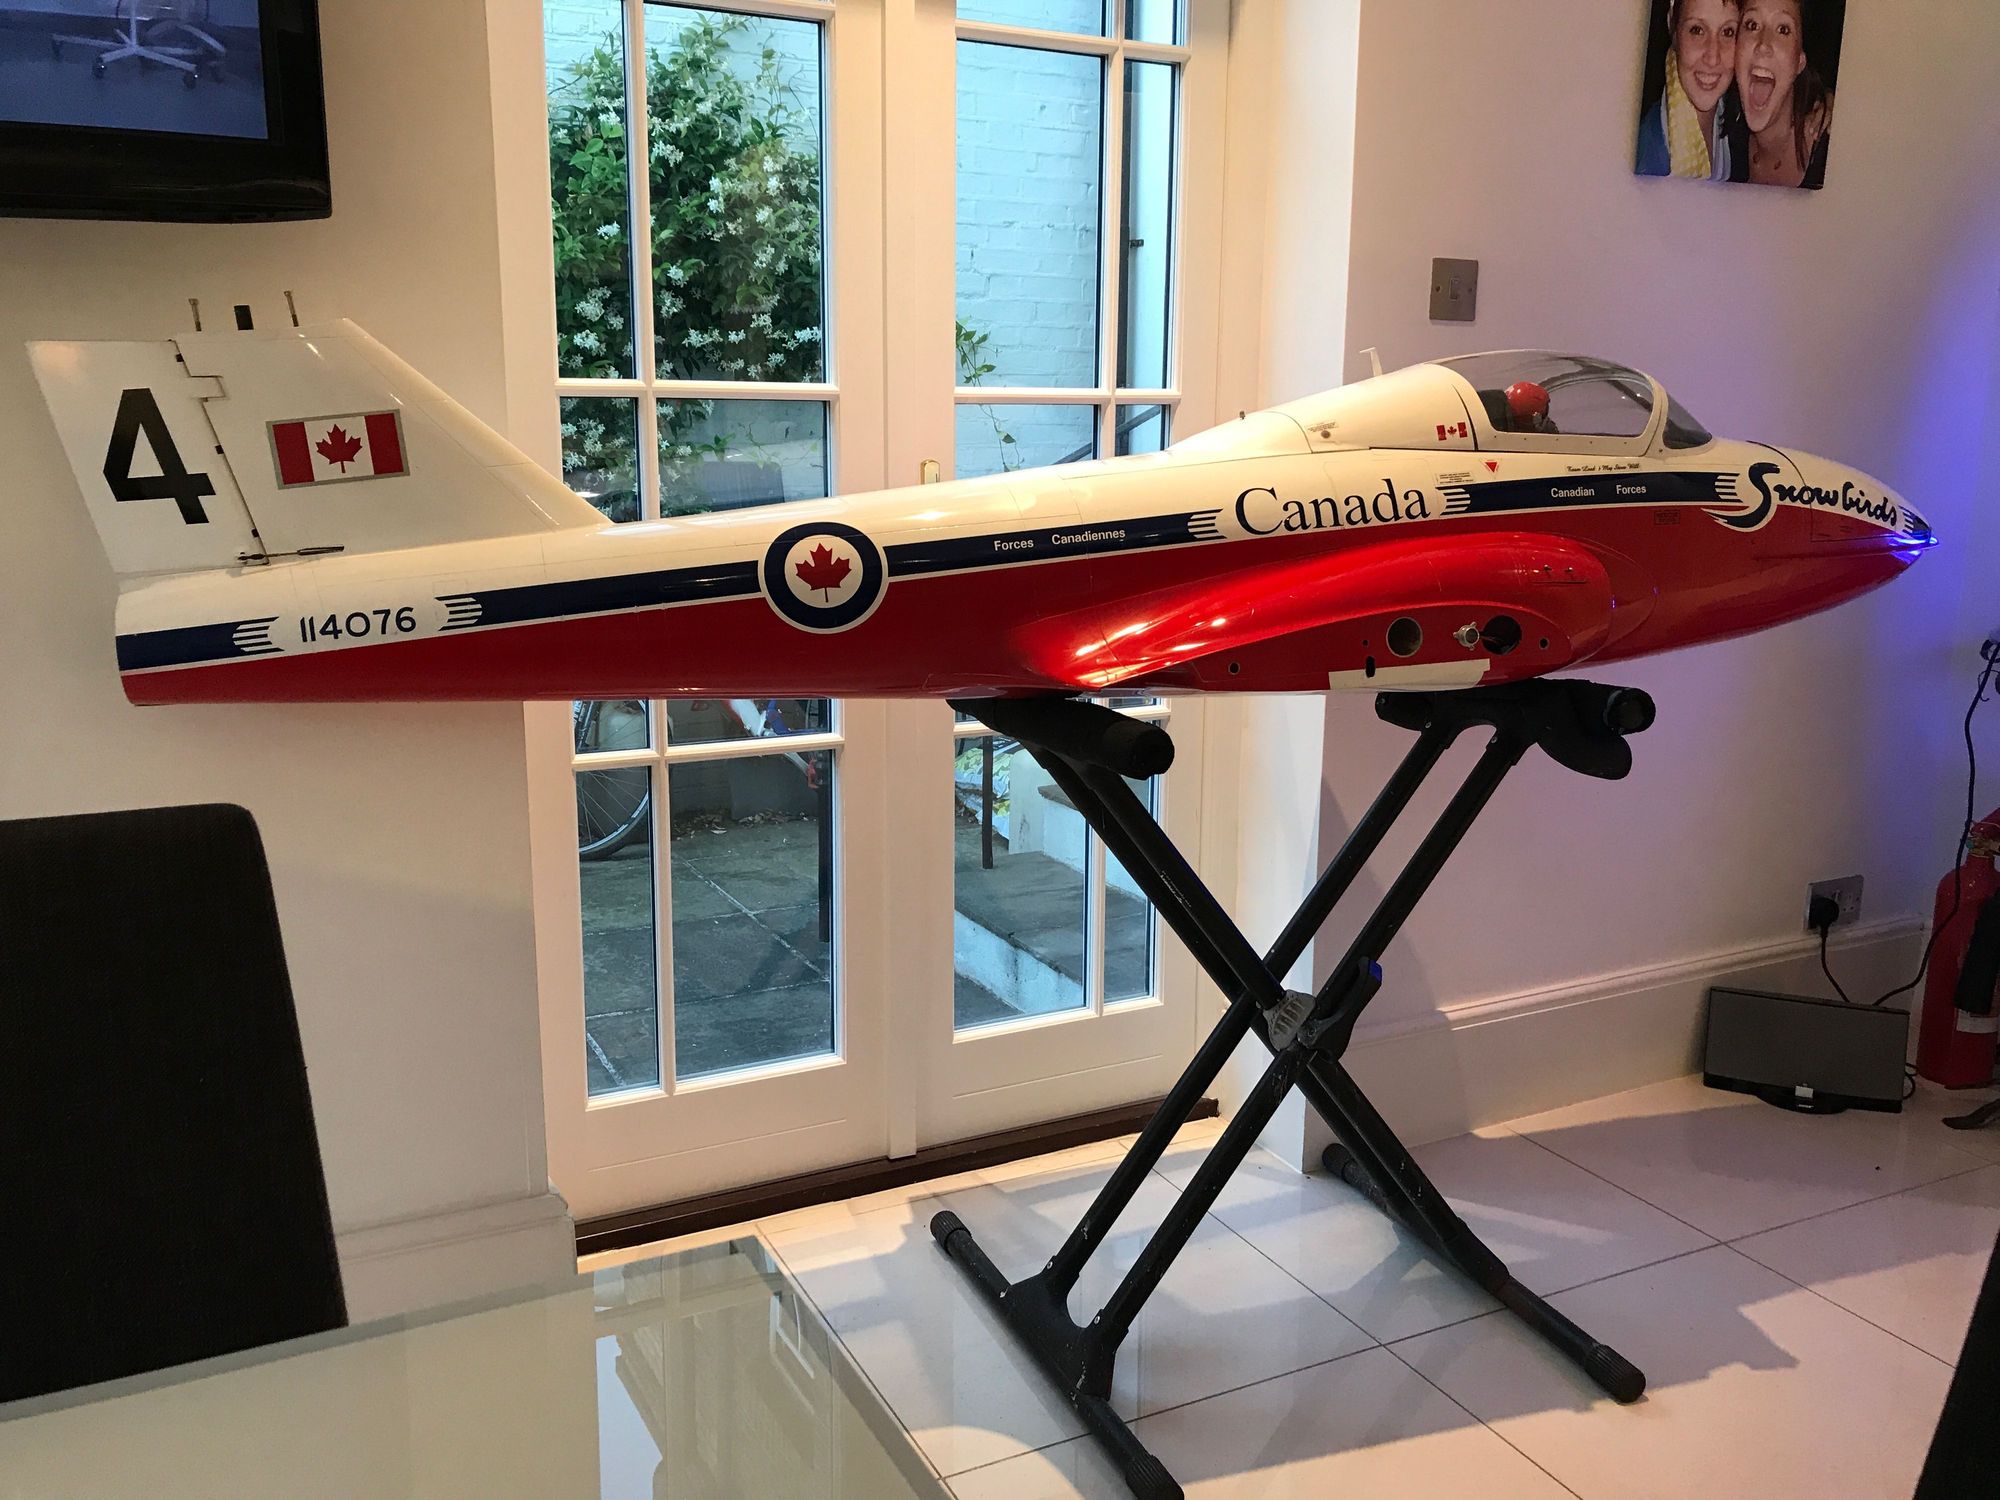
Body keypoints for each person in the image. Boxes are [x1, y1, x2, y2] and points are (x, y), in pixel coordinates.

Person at [1635, 0, 1743, 180]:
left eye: (1728, 32)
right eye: (1697, 30)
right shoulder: (1649, 161)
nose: (1712, 58)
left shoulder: (1739, 124)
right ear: (1673, 26)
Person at [1736, 0, 1833, 188]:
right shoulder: (1724, 141)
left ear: (1799, 62)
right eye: (1752, 25)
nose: (1763, 45)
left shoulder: (1832, 154)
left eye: (1783, 30)